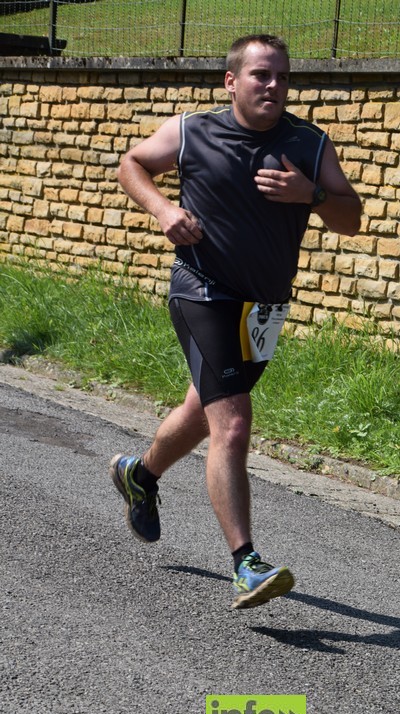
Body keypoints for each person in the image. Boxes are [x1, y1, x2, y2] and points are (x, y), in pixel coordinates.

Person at [110, 34, 361, 609]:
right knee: (233, 423)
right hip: (202, 290)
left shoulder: (309, 144)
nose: (273, 85)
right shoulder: (192, 131)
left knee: (204, 409)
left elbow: (350, 219)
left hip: (264, 305)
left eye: (281, 76)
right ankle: (246, 563)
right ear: (231, 81)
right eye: (260, 75)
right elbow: (132, 164)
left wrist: (312, 195)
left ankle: (140, 475)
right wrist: (163, 209)